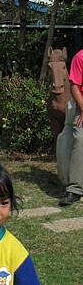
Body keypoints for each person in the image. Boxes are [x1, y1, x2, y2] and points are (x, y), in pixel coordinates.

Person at [58, 49, 83, 206]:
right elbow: (75, 86)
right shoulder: (80, 57)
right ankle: (75, 189)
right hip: (82, 105)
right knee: (81, 138)